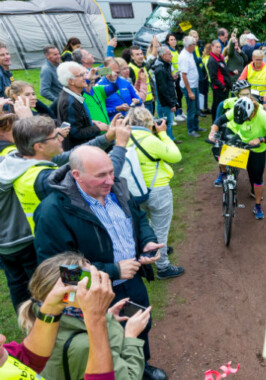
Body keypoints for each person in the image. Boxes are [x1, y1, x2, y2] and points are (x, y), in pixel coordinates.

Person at [33, 145, 169, 380]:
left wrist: (146, 240)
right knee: (105, 339)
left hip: (132, 281)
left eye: (111, 172)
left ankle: (141, 367)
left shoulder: (118, 188)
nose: (109, 180)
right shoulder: (53, 211)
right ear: (77, 176)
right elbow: (57, 274)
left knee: (138, 326)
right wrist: (114, 271)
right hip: (91, 295)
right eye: (101, 176)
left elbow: (139, 217)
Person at [0, 115, 126, 311]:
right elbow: (99, 181)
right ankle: (69, 319)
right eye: (55, 136)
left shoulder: (17, 162)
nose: (61, 138)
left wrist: (106, 138)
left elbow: (70, 157)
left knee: (24, 285)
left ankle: (34, 322)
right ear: (39, 146)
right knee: (61, 278)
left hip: (23, 240)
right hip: (44, 242)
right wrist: (120, 146)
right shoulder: (43, 179)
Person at [18, 252, 148, 379]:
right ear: (68, 297)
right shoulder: (85, 345)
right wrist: (131, 337)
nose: (100, 286)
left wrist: (107, 317)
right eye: (91, 282)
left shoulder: (43, 321)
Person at [0, 265, 117, 379]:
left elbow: (26, 359)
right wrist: (98, 321)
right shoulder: (81, 346)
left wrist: (51, 309)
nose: (2, 339)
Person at [126, 107, 184, 278]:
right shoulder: (150, 140)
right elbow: (175, 156)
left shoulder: (124, 138)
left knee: (147, 224)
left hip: (136, 191)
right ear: (149, 122)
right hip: (157, 189)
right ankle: (163, 267)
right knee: (160, 229)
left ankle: (154, 251)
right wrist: (164, 134)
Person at [207, 97, 266, 219]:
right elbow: (221, 119)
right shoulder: (237, 109)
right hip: (240, 138)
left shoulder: (262, 116)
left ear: (251, 113)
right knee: (223, 153)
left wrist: (260, 139)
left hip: (257, 148)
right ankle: (227, 176)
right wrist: (212, 132)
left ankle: (258, 205)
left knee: (257, 178)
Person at [56, 62, 111, 150]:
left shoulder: (73, 94)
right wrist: (97, 128)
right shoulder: (70, 102)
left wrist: (90, 121)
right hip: (80, 151)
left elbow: (77, 121)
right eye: (82, 75)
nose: (86, 77)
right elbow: (76, 132)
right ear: (71, 81)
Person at [152, 46, 179, 142]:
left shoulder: (166, 65)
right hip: (166, 101)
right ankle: (169, 140)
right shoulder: (160, 69)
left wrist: (171, 78)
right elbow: (163, 89)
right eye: (169, 54)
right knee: (168, 122)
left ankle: (169, 138)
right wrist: (171, 103)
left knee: (167, 121)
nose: (171, 56)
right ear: (163, 56)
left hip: (167, 99)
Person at [179, 36, 203, 137]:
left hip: (194, 85)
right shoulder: (184, 56)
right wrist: (189, 91)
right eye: (194, 44)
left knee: (196, 107)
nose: (195, 45)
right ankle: (191, 130)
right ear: (189, 45)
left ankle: (196, 126)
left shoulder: (190, 53)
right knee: (191, 109)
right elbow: (184, 75)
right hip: (189, 87)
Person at [207, 40, 235, 119]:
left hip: (225, 86)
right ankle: (215, 123)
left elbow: (224, 69)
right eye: (217, 47)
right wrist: (222, 87)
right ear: (212, 47)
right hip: (219, 88)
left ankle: (221, 122)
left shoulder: (220, 57)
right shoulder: (212, 60)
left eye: (219, 47)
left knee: (223, 106)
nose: (219, 49)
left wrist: (232, 72)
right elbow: (213, 78)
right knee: (217, 106)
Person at [128, 45, 155, 115]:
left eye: (141, 54)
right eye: (137, 54)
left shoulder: (144, 65)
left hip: (150, 100)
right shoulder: (130, 68)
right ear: (132, 56)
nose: (140, 56)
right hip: (141, 102)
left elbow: (149, 82)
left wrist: (153, 95)